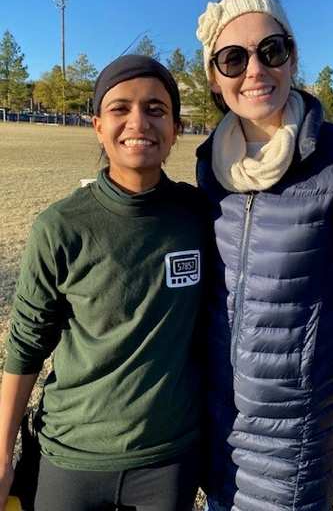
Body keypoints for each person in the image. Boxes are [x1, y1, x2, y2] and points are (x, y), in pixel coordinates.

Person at [195, 0, 333, 511]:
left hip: (296, 426)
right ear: (216, 79)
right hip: (215, 417)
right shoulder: (208, 163)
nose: (255, 70)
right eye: (233, 58)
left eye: (272, 50)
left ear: (292, 56)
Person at [0, 54, 208, 511]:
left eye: (156, 110)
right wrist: (1, 456)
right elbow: (26, 347)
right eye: (120, 108)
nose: (139, 121)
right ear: (97, 125)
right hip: (70, 457)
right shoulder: (60, 226)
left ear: (175, 129)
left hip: (168, 459)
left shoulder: (200, 216)